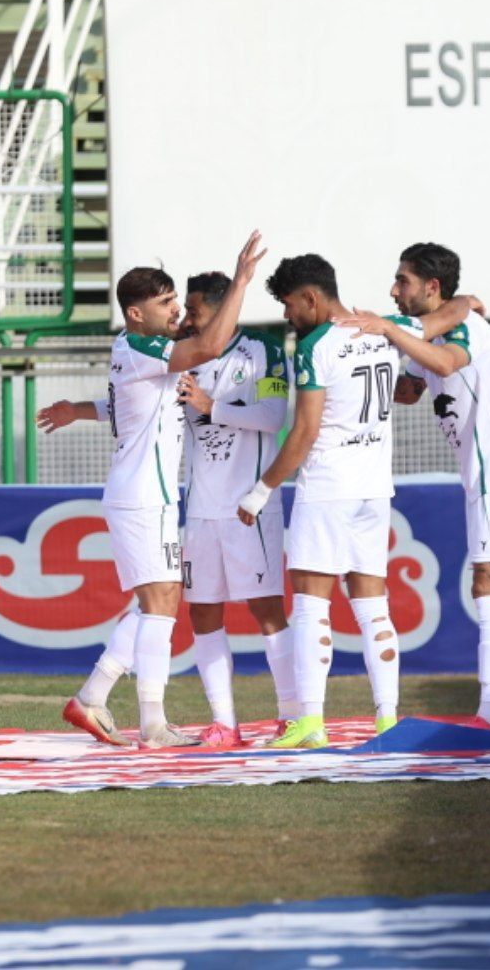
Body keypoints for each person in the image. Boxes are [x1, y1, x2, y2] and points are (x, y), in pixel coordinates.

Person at [37, 231, 266, 747]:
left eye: (175, 299)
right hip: (144, 495)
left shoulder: (135, 348)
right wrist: (240, 283)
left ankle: (94, 698)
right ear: (136, 314)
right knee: (161, 602)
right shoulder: (142, 346)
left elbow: (124, 404)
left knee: (155, 602)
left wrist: (78, 410)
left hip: (142, 493)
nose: (176, 308)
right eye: (165, 302)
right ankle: (152, 723)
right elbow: (209, 346)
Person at [237, 253, 476, 748]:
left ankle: (310, 722)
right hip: (374, 487)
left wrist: (260, 491)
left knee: (311, 605)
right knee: (373, 607)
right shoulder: (387, 328)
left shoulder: (315, 346)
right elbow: (446, 316)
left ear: (311, 298)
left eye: (289, 305)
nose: (287, 316)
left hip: (328, 486)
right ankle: (387, 718)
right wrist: (469, 300)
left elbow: (304, 433)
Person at [339, 242, 490, 730]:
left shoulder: (465, 327)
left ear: (432, 287)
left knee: (489, 587)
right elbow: (408, 390)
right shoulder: (432, 330)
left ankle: (489, 715)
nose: (394, 290)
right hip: (488, 474)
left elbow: (446, 364)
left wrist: (388, 328)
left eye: (403, 280)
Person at [174, 271, 295, 747]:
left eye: (195, 311)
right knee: (203, 612)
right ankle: (225, 723)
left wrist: (211, 406)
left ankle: (292, 715)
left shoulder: (264, 349)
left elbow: (272, 417)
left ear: (223, 309)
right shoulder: (186, 354)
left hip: (250, 506)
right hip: (201, 510)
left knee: (266, 609)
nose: (187, 319)